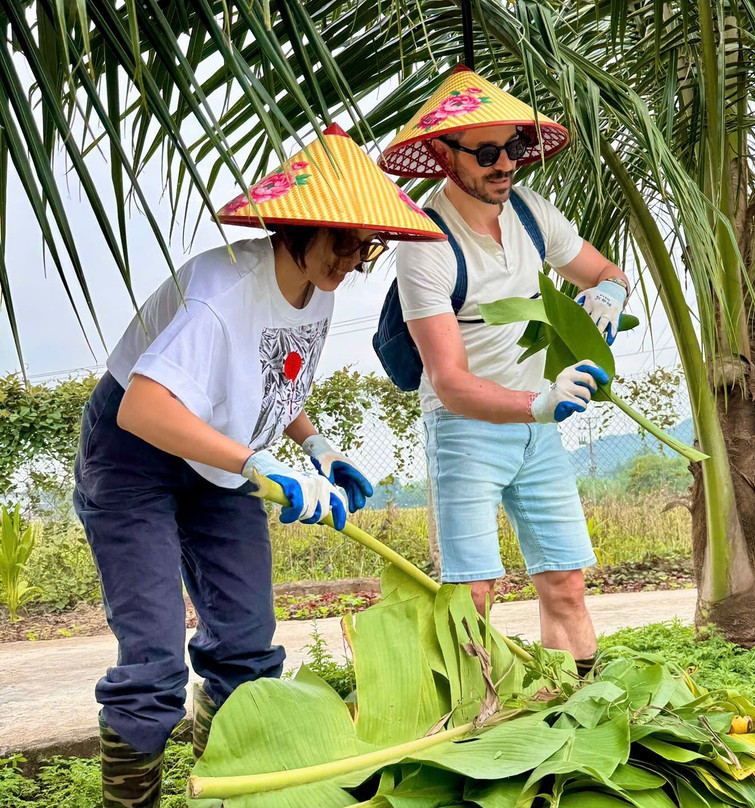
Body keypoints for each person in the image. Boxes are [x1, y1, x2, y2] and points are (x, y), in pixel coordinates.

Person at [73, 124, 445, 808]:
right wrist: (258, 465)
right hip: (136, 461)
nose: (352, 257)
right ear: (296, 225)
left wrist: (315, 447)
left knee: (246, 649)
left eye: (366, 245)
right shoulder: (223, 292)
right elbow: (145, 408)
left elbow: (273, 384)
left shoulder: (319, 288)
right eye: (342, 239)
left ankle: (228, 790)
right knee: (154, 660)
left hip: (225, 463)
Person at [379, 67, 631, 675]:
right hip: (467, 427)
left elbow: (605, 272)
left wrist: (609, 297)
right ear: (443, 154)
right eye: (487, 152)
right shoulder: (425, 243)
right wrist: (535, 404)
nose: (505, 165)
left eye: (514, 148)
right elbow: (449, 380)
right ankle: (471, 720)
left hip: (540, 425)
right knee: (474, 594)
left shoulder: (529, 212)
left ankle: (576, 706)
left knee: (566, 581)